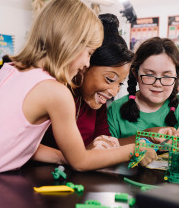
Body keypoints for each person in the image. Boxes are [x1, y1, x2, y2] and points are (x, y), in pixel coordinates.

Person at [0, 0, 154, 180]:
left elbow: (15, 142)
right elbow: (81, 161)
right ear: (70, 43)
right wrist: (134, 150)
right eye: (88, 52)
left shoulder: (11, 70)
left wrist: (64, 156)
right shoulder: (56, 92)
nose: (87, 63)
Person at [41, 13, 134, 148]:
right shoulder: (53, 92)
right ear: (85, 64)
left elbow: (103, 141)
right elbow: (27, 145)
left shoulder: (96, 103)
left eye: (120, 83)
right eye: (109, 79)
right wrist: (84, 155)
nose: (114, 92)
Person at [107, 37, 179, 147]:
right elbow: (106, 148)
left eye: (167, 76)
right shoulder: (115, 109)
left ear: (176, 77)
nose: (158, 84)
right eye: (149, 75)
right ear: (135, 73)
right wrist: (146, 137)